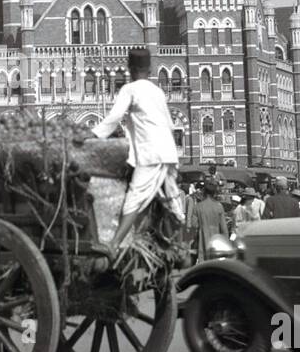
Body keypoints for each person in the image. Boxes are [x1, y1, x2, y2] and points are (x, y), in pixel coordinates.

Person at [91, 47, 186, 255]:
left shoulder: (130, 89)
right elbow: (170, 124)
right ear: (150, 69)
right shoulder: (157, 91)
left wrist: (92, 136)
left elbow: (113, 118)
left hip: (151, 153)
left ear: (130, 68)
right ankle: (179, 245)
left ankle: (113, 244)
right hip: (168, 151)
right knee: (169, 198)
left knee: (134, 197)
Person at [189, 178, 229, 261]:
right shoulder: (219, 206)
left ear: (204, 192)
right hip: (216, 243)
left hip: (202, 243)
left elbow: (194, 225)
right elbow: (224, 229)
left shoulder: (198, 207)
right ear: (214, 193)